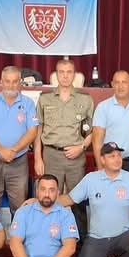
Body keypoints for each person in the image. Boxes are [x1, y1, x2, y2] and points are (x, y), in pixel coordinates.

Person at [62, 141, 129, 257]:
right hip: (97, 238)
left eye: (119, 155)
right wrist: (38, 202)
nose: (117, 159)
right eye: (111, 156)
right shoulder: (91, 179)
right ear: (102, 159)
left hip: (123, 235)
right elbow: (69, 199)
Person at [0, 174, 79, 257]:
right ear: (37, 191)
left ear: (58, 193)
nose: (47, 194)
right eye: (43, 189)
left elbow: (70, 247)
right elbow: (15, 243)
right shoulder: (23, 212)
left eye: (51, 190)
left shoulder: (66, 214)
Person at [0, 66, 38, 215]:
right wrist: (0, 150)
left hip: (18, 160)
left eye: (15, 81)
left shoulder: (28, 103)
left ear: (20, 82)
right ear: (1, 82)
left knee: (19, 207)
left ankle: (17, 231)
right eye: (8, 81)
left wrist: (14, 150)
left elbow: (32, 132)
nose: (11, 85)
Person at [35, 59, 95, 195]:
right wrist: (38, 158)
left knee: (77, 198)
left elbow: (93, 131)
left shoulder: (85, 99)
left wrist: (81, 147)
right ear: (56, 75)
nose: (65, 76)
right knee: (49, 197)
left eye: (69, 72)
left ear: (74, 75)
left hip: (76, 156)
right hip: (51, 156)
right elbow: (38, 130)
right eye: (61, 72)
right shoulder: (45, 98)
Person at [92, 70, 129, 179]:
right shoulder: (103, 107)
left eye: (124, 82)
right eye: (117, 82)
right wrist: (101, 169)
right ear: (112, 84)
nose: (120, 86)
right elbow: (97, 141)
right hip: (109, 161)